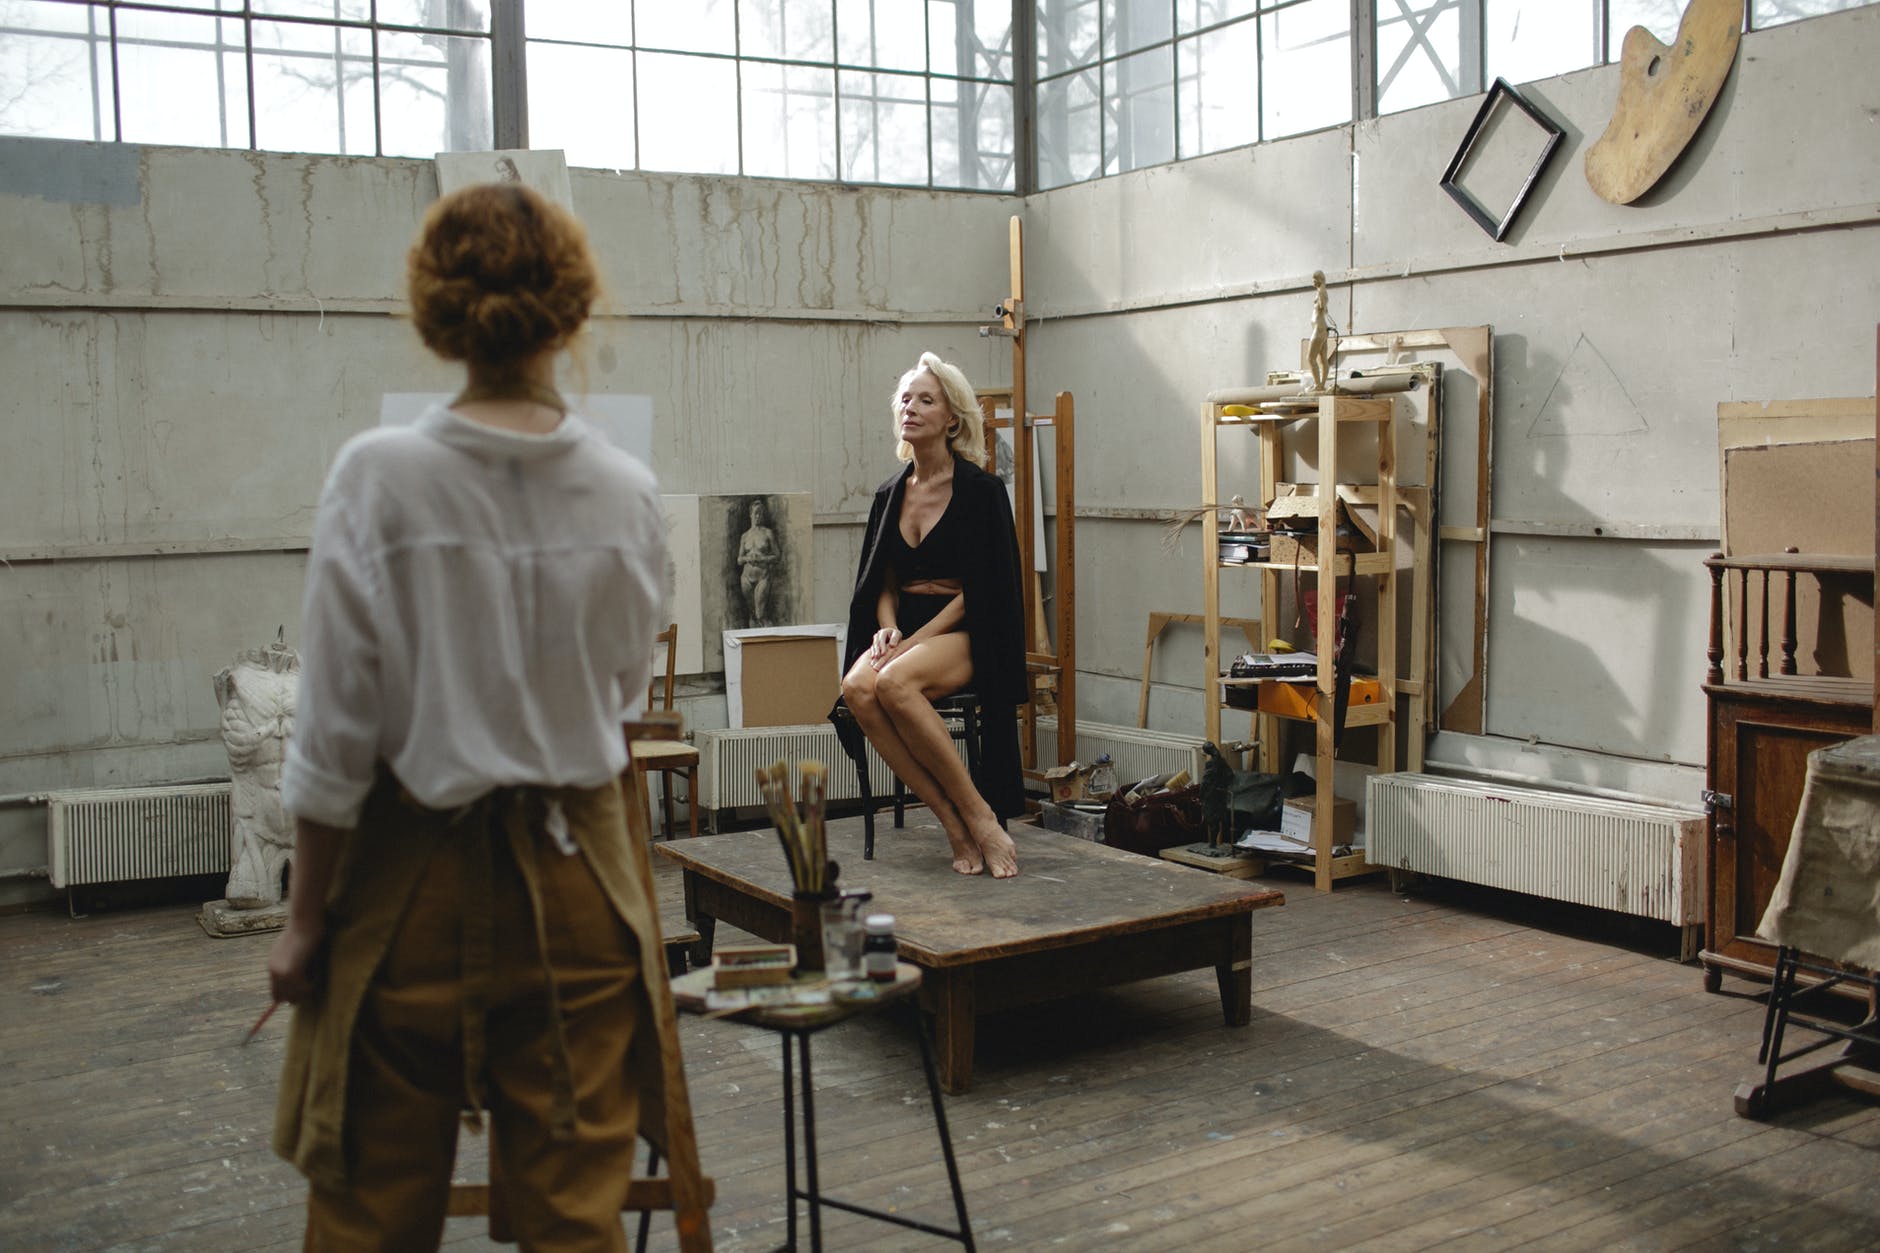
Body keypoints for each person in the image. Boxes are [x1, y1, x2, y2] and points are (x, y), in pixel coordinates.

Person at [267, 182, 670, 1251]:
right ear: (573, 311)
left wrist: (304, 919)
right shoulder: (626, 492)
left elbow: (334, 738)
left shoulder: (377, 477)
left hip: (410, 896)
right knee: (576, 1223)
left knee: (364, 1214)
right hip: (578, 885)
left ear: (433, 309)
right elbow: (619, 696)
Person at [834, 352, 1026, 878]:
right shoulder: (889, 493)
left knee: (892, 683)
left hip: (967, 625)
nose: (910, 407)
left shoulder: (981, 492)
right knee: (856, 687)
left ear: (952, 418)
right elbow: (881, 579)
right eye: (904, 398)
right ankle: (952, 823)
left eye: (926, 399)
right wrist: (890, 626)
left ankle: (982, 817)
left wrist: (913, 641)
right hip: (908, 625)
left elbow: (985, 589)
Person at [735, 497, 781, 627]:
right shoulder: (745, 536)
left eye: (760, 513)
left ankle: (772, 642)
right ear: (750, 514)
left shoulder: (768, 533)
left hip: (763, 577)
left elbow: (777, 556)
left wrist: (762, 559)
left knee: (761, 614)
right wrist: (747, 559)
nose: (758, 516)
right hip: (746, 578)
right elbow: (739, 559)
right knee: (752, 614)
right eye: (755, 513)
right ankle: (753, 645)